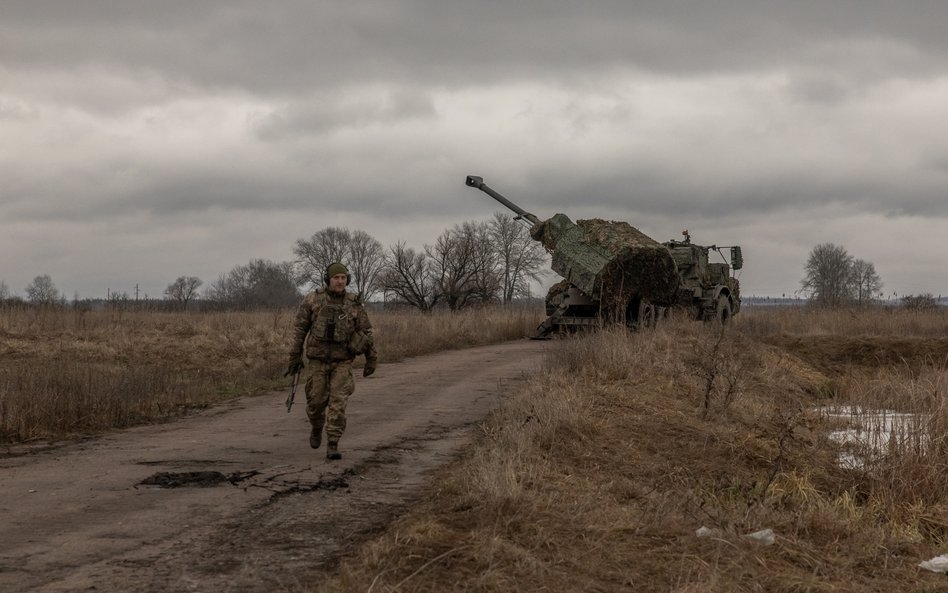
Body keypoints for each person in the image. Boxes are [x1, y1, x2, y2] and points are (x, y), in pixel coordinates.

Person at [285, 262, 377, 460]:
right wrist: (294, 355)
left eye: (343, 278)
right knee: (316, 401)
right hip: (317, 360)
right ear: (328, 279)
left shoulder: (354, 303)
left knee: (338, 402)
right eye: (336, 278)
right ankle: (317, 426)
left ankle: (333, 443)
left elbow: (366, 332)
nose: (340, 281)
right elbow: (300, 329)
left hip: (343, 360)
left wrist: (372, 358)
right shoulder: (313, 300)